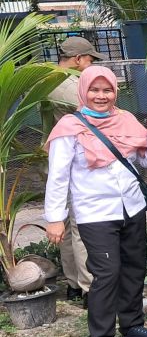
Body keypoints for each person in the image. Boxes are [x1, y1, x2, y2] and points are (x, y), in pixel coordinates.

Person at [44, 65, 147, 337]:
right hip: (95, 212)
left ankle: (131, 325)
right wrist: (54, 218)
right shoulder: (69, 127)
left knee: (134, 266)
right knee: (107, 273)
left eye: (107, 90)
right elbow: (58, 176)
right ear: (83, 91)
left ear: (115, 91)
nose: (101, 96)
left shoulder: (125, 119)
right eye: (94, 90)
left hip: (132, 206)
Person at [44, 36, 104, 302]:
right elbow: (96, 114)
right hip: (73, 159)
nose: (90, 65)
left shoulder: (47, 80)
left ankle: (73, 283)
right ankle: (90, 288)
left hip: (57, 156)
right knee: (81, 227)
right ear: (78, 59)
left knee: (68, 228)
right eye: (89, 60)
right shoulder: (66, 84)